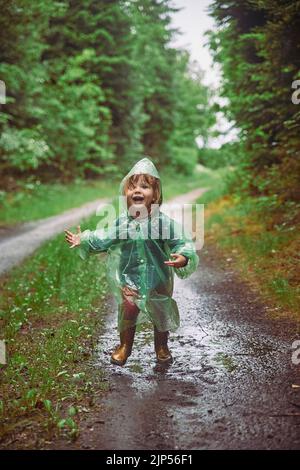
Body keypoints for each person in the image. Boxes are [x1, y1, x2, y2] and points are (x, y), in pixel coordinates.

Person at [64, 157, 199, 367]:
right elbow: (105, 236)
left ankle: (161, 347)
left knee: (160, 311)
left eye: (144, 186)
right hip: (130, 278)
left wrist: (183, 257)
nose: (137, 190)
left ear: (155, 194)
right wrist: (84, 239)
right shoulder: (123, 223)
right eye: (132, 187)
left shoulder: (163, 223)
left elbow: (181, 242)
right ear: (125, 194)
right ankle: (125, 346)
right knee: (128, 309)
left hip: (159, 280)